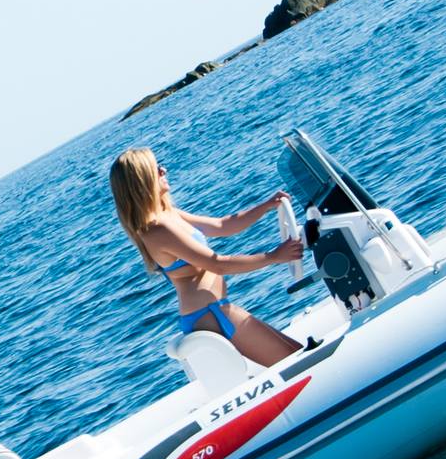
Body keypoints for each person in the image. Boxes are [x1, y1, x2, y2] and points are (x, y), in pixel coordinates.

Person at [108, 147, 306, 366]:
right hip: (210, 314)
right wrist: (273, 256)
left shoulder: (169, 215)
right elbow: (217, 264)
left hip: (216, 309)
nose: (163, 170)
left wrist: (266, 206)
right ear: (142, 180)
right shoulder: (157, 230)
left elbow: (221, 225)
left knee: (297, 353)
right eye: (156, 169)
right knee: (297, 361)